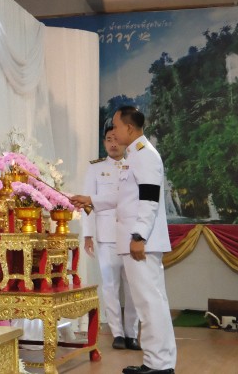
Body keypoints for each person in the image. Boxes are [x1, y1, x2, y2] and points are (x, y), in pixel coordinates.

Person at [72, 106, 176, 374]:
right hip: (137, 240)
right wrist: (90, 199)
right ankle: (157, 362)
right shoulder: (134, 155)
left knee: (150, 303)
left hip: (142, 242)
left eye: (117, 127)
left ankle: (160, 364)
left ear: (129, 128)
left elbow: (149, 200)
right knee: (149, 303)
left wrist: (139, 235)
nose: (114, 133)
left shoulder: (145, 156)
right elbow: (123, 196)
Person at [82, 121, 140, 351]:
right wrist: (88, 234)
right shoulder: (95, 168)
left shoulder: (134, 165)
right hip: (106, 235)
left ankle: (132, 333)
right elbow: (87, 203)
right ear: (104, 143)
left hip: (130, 235)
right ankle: (117, 333)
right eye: (108, 140)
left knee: (133, 286)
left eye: (116, 139)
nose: (113, 144)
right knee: (110, 285)